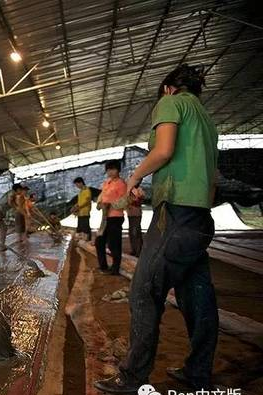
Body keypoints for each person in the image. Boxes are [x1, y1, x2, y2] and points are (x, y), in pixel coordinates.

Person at [95, 64, 219, 393]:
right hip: (199, 216)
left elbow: (163, 151)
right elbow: (207, 177)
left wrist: (135, 178)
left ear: (168, 87)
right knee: (198, 297)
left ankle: (133, 377)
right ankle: (198, 372)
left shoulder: (171, 102)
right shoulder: (206, 120)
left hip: (176, 216)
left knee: (144, 292)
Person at [95, 160, 126, 275]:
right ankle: (103, 266)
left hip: (116, 217)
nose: (110, 172)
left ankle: (115, 268)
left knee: (114, 243)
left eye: (113, 169)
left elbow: (124, 201)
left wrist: (110, 204)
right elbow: (101, 196)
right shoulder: (106, 183)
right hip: (105, 217)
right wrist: (99, 204)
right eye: (108, 169)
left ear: (118, 170)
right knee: (99, 242)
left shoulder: (121, 184)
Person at [126, 186, 144, 257]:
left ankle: (139, 250)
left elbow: (140, 200)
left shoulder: (139, 190)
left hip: (137, 214)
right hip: (130, 213)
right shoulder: (129, 190)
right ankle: (134, 249)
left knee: (136, 231)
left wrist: (132, 200)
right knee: (131, 232)